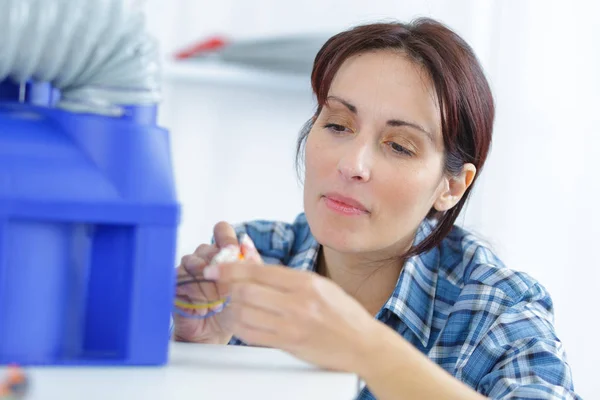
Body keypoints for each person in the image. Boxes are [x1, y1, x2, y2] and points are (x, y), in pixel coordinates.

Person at [172, 18, 580, 400]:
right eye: (337, 125)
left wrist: (365, 348)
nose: (352, 165)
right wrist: (203, 358)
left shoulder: (495, 309)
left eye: (400, 146)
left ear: (451, 186)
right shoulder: (260, 258)